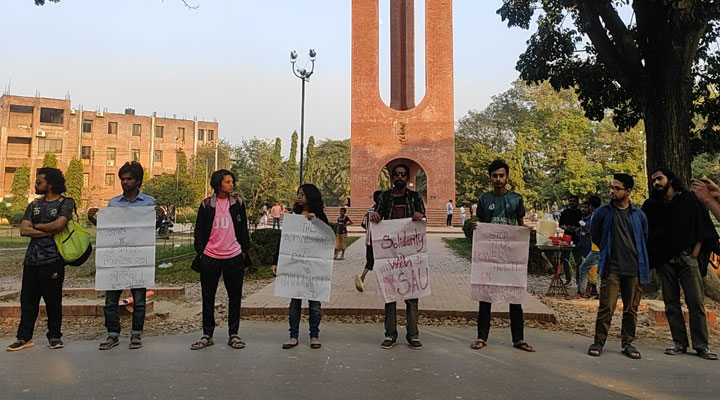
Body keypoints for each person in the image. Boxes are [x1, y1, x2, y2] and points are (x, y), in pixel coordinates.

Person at [642, 168, 718, 360]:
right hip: (665, 262)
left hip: (687, 260)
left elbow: (701, 226)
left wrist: (694, 254)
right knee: (671, 303)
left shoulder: (689, 200)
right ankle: (679, 342)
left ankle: (701, 345)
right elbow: (649, 234)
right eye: (653, 180)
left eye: (659, 179)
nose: (656, 183)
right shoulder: (652, 206)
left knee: (696, 303)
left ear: (670, 179)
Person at [87, 161, 164, 350]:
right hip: (116, 257)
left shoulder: (149, 202)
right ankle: (112, 334)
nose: (124, 182)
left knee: (139, 299)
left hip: (138, 257)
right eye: (122, 179)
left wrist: (160, 218)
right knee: (110, 299)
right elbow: (109, 231)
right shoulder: (113, 203)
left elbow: (148, 231)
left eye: (129, 179)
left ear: (138, 181)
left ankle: (136, 334)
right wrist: (93, 219)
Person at [469, 159, 535, 353]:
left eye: (502, 175)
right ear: (490, 178)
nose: (498, 179)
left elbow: (520, 223)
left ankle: (518, 338)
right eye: (495, 176)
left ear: (507, 177)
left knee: (514, 296)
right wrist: (476, 227)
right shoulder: (484, 199)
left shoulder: (516, 199)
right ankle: (481, 337)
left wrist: (525, 232)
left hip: (510, 256)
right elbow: (481, 223)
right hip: (490, 256)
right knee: (485, 296)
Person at [6, 168, 74, 352]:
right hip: (31, 261)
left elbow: (60, 225)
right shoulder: (33, 205)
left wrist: (38, 227)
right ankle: (23, 337)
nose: (35, 185)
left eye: (39, 182)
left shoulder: (65, 203)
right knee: (28, 301)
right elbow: (23, 230)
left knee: (53, 300)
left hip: (53, 259)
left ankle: (54, 336)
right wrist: (47, 230)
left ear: (50, 184)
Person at [588, 174, 649, 360]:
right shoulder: (603, 212)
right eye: (611, 187)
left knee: (631, 309)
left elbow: (644, 238)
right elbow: (595, 234)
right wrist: (607, 251)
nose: (612, 191)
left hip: (634, 269)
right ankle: (598, 341)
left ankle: (627, 343)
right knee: (606, 307)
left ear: (628, 192)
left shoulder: (638, 215)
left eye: (617, 188)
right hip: (612, 268)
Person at [190, 169, 251, 350]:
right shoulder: (207, 204)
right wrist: (201, 251)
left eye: (232, 181)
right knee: (208, 297)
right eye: (227, 182)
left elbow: (244, 229)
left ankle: (234, 334)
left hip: (234, 255)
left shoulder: (238, 203)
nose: (231, 184)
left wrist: (244, 250)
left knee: (235, 296)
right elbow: (199, 228)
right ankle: (207, 334)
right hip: (210, 256)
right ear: (218, 184)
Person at [369, 162, 426, 350]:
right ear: (392, 177)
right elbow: (376, 214)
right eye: (397, 175)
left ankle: (413, 334)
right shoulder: (385, 197)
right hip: (391, 252)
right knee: (390, 295)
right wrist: (376, 216)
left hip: (410, 252)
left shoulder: (415, 197)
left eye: (403, 175)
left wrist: (419, 215)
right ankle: (390, 334)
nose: (400, 178)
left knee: (412, 293)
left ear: (408, 178)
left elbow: (423, 218)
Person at [271, 184, 330, 350]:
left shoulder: (320, 216)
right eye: (298, 194)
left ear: (311, 196)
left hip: (314, 266)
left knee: (315, 303)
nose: (299, 197)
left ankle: (314, 335)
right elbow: (284, 239)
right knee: (294, 302)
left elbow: (327, 237)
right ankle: (293, 336)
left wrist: (317, 221)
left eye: (302, 194)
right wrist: (276, 261)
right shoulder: (293, 216)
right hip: (295, 265)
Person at [354, 190, 383, 292]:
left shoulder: (369, 211)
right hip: (381, 241)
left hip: (369, 241)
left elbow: (363, 224)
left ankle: (362, 277)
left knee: (370, 261)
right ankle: (384, 282)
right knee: (383, 261)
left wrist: (369, 230)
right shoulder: (382, 211)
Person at [575, 195, 602, 297]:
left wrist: (585, 229)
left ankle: (582, 291)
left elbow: (593, 232)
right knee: (593, 269)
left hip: (596, 247)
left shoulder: (595, 216)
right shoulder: (601, 214)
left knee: (583, 268)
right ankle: (592, 290)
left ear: (591, 206)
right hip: (596, 246)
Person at [559, 195, 583, 286]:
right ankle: (568, 279)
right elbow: (561, 224)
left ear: (577, 202)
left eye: (573, 201)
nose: (571, 202)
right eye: (570, 201)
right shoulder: (565, 212)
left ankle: (578, 280)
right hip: (566, 238)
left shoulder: (580, 213)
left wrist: (577, 228)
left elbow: (583, 225)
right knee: (564, 259)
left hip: (577, 238)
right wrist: (567, 227)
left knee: (578, 261)